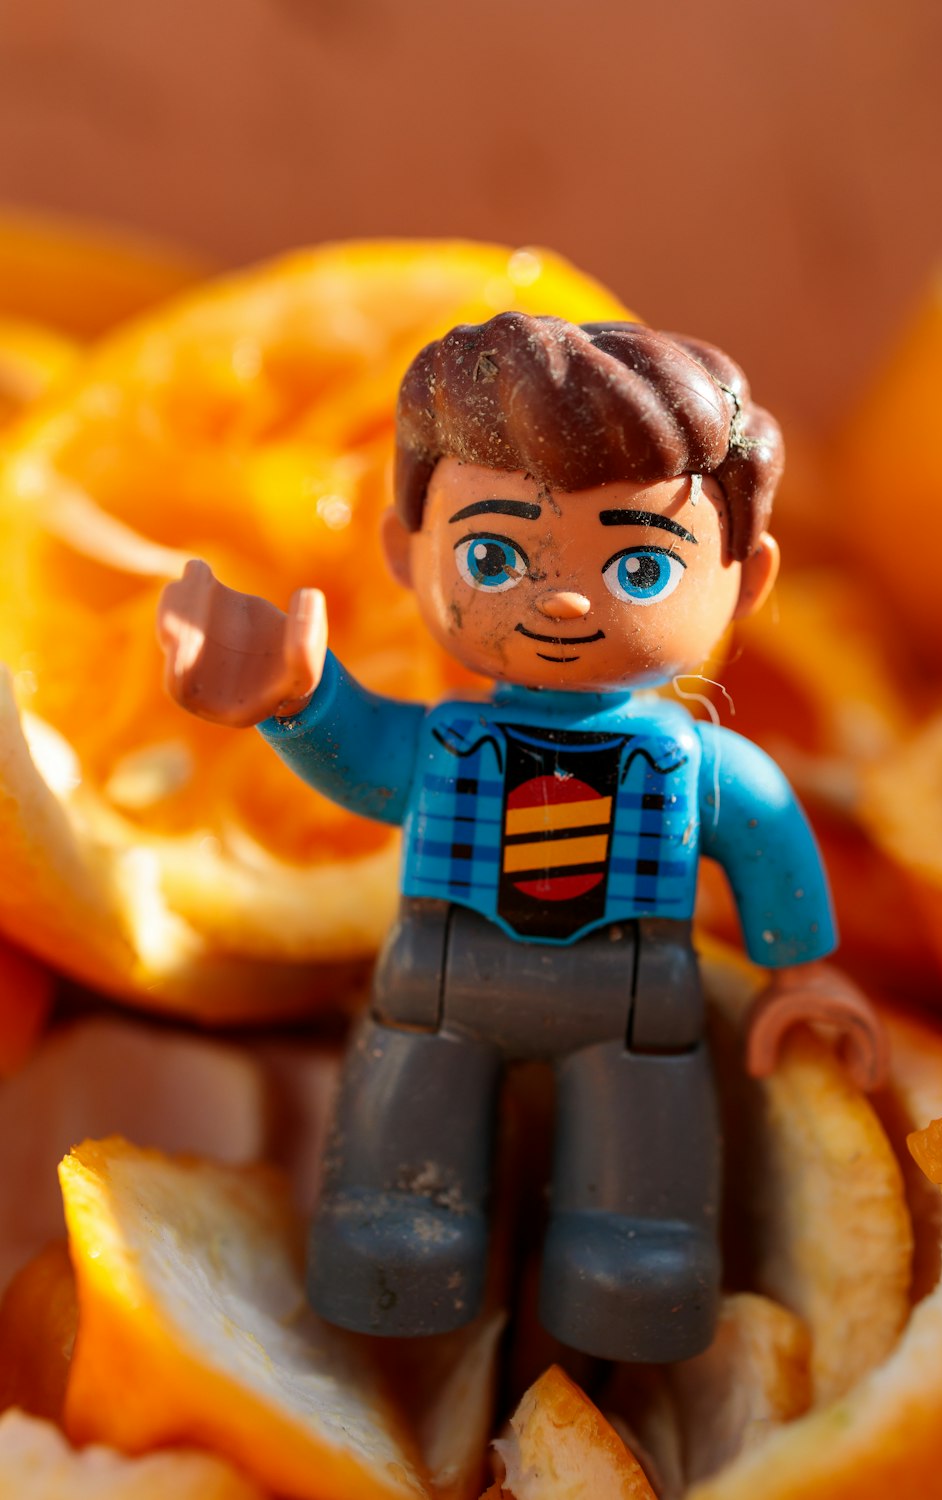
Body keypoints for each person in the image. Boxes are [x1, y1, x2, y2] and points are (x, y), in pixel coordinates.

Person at [157, 313, 886, 1363]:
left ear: (746, 579)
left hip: (632, 1005)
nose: (565, 596)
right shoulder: (448, 743)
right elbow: (365, 761)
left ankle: (635, 1247)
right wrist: (298, 698)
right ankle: (392, 1231)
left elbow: (769, 837)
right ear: (408, 556)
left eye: (641, 571)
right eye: (494, 554)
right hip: (442, 987)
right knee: (401, 1151)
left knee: (644, 1187)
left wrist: (800, 972)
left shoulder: (698, 768)